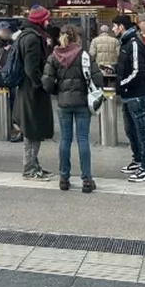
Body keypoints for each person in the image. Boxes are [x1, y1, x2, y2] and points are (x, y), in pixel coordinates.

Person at [43, 24, 102, 193]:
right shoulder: (84, 55)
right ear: (77, 37)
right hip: (82, 103)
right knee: (83, 139)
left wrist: (59, 92)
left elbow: (46, 82)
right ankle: (87, 179)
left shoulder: (54, 56)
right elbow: (97, 79)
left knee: (65, 140)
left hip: (63, 104)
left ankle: (64, 178)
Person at [15, 6, 55, 181]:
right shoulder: (31, 38)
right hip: (32, 91)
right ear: (40, 21)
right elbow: (31, 68)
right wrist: (42, 84)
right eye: (47, 19)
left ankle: (34, 165)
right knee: (32, 130)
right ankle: (29, 168)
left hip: (29, 89)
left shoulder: (29, 35)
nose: (49, 22)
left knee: (34, 129)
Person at [114, 15, 145, 182]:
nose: (113, 29)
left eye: (115, 26)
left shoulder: (134, 44)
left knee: (143, 131)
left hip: (137, 95)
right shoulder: (126, 43)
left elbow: (138, 71)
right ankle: (137, 160)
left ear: (122, 27)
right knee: (131, 131)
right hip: (128, 95)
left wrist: (122, 84)